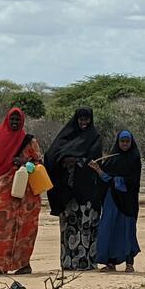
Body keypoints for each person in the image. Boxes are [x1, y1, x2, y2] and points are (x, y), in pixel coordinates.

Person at [0, 107, 41, 275]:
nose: (15, 123)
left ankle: (23, 264)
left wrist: (24, 162)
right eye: (12, 120)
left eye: (17, 120)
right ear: (7, 120)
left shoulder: (29, 141)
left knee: (25, 227)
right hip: (3, 188)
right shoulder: (0, 139)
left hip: (26, 191)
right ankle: (1, 264)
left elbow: (39, 163)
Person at [44, 107, 103, 270]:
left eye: (86, 119)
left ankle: (86, 262)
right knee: (69, 226)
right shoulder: (66, 136)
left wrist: (76, 161)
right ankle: (69, 262)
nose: (84, 122)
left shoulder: (95, 137)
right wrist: (64, 160)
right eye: (81, 119)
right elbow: (51, 156)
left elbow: (93, 159)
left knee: (86, 226)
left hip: (87, 191)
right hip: (67, 192)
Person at [91, 130, 142, 273]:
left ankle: (129, 263)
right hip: (112, 199)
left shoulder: (134, 158)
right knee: (109, 228)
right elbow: (105, 178)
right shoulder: (112, 159)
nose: (125, 144)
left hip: (128, 201)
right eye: (122, 141)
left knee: (127, 229)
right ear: (118, 142)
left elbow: (134, 180)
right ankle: (110, 263)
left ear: (131, 143)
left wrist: (118, 180)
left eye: (127, 141)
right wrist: (97, 169)